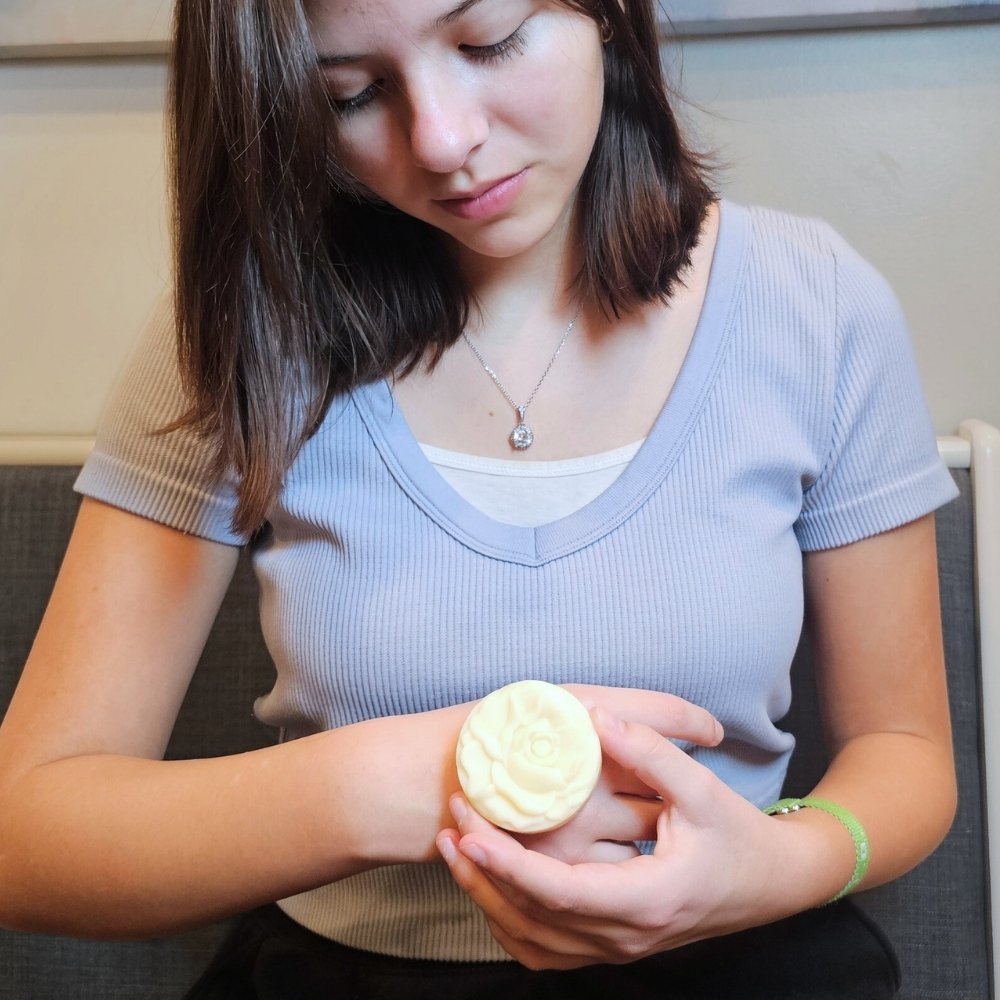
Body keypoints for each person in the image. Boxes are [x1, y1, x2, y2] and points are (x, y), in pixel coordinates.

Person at [0, 1, 959, 997]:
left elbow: (906, 752)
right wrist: (425, 785)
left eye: (489, 42)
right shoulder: (243, 332)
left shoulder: (817, 305)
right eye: (354, 93)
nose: (445, 140)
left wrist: (778, 866)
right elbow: (26, 839)